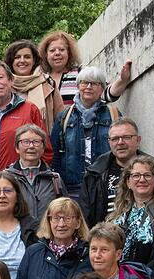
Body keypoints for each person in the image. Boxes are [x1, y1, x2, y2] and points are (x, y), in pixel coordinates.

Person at [14, 198, 92, 279]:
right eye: (55, 218)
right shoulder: (33, 253)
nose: (61, 224)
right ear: (49, 222)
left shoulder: (87, 256)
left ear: (78, 222)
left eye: (67, 218)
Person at [79, 118, 154, 227]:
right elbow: (85, 216)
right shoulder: (94, 174)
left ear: (138, 140)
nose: (120, 142)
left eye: (126, 137)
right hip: (107, 239)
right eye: (115, 139)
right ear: (109, 142)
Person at [50, 66, 123, 197]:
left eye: (94, 83)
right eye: (84, 83)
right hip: (73, 188)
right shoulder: (65, 116)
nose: (89, 87)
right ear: (78, 86)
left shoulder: (113, 114)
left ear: (102, 88)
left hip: (105, 184)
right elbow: (54, 152)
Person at [108, 155, 154, 268]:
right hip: (117, 276)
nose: (142, 180)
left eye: (147, 175)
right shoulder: (118, 213)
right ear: (128, 182)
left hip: (147, 277)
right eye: (136, 176)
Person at [38, 30, 131, 106]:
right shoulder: (39, 79)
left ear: (69, 53)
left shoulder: (82, 73)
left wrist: (122, 80)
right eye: (52, 50)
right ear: (45, 55)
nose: (57, 53)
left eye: (62, 50)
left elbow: (104, 94)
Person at [5, 124, 66, 222]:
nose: (31, 146)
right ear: (17, 148)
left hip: (46, 235)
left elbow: (65, 211)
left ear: (43, 149)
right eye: (26, 142)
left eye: (36, 142)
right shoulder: (6, 178)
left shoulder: (54, 179)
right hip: (15, 235)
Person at [4, 39, 64, 134]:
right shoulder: (4, 85)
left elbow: (60, 119)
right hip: (11, 144)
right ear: (11, 61)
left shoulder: (48, 83)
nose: (22, 60)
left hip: (42, 143)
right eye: (17, 57)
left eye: (27, 57)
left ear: (34, 60)